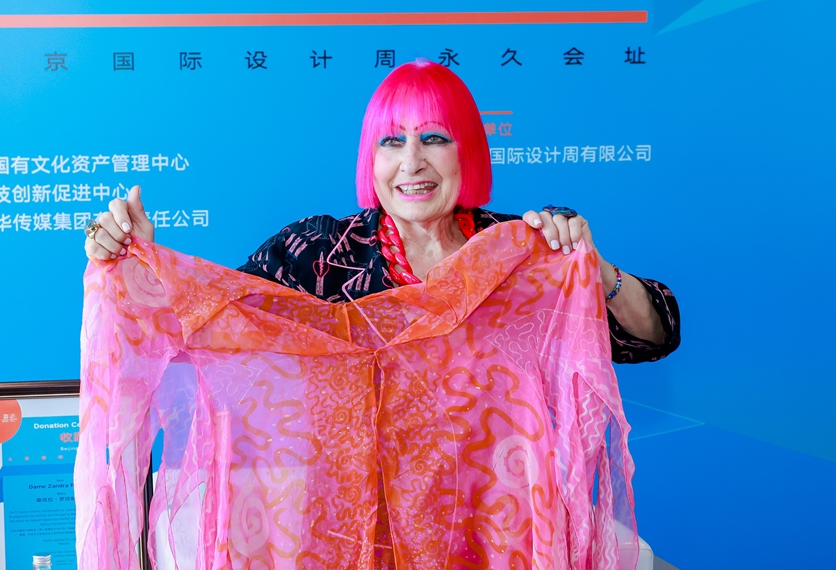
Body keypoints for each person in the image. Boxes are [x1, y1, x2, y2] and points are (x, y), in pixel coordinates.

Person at [84, 59, 679, 364]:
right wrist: (140, 262)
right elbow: (207, 326)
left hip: (498, 529)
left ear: (467, 150)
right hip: (353, 536)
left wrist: (594, 272)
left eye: (435, 138)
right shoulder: (316, 254)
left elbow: (654, 336)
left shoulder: (519, 249)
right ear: (371, 160)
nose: (412, 162)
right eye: (392, 141)